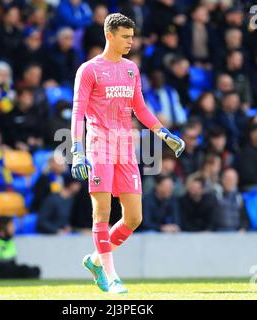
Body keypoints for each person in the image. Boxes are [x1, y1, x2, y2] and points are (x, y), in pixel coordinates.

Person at [70, 13, 185, 294]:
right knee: (102, 213)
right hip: (99, 147)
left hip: (126, 149)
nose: (130, 42)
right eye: (125, 36)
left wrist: (163, 133)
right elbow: (78, 111)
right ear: (109, 36)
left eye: (132, 37)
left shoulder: (132, 69)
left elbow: (141, 109)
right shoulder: (89, 70)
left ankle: (96, 260)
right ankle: (111, 277)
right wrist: (76, 150)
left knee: (134, 218)